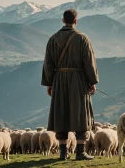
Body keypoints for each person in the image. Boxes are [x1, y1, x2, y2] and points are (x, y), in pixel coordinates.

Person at [41, 9, 99, 160]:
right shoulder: (82, 38)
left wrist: (49, 83)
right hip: (78, 80)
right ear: (76, 21)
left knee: (61, 113)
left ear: (62, 20)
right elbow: (89, 62)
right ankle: (80, 152)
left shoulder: (53, 39)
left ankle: (63, 153)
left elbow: (48, 63)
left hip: (59, 80)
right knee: (81, 113)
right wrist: (92, 81)